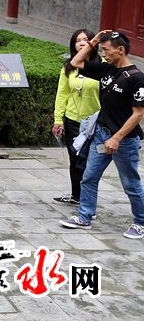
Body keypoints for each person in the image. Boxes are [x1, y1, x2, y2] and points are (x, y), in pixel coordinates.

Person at [60, 30, 144, 239]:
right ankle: (84, 217)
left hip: (124, 141)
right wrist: (94, 41)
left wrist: (116, 138)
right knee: (89, 177)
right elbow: (76, 62)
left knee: (130, 184)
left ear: (121, 50)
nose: (103, 54)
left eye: (106, 50)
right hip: (100, 134)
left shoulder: (137, 78)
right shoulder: (106, 69)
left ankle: (141, 222)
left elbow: (138, 114)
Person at [52, 29, 101, 205]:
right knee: (75, 160)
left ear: (93, 43)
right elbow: (62, 94)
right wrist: (58, 119)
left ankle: (88, 202)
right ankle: (76, 196)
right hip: (73, 121)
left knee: (90, 163)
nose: (82, 43)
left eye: (86, 40)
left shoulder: (103, 66)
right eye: (78, 40)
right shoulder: (68, 67)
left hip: (95, 123)